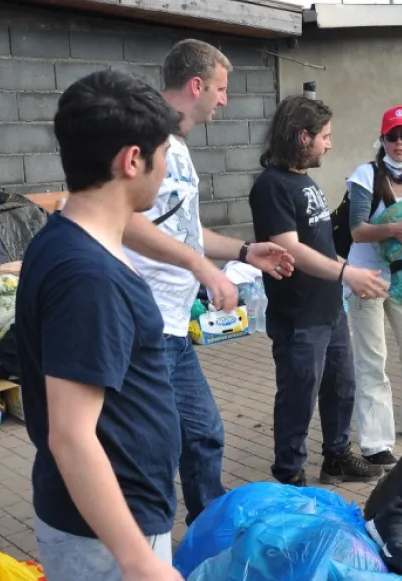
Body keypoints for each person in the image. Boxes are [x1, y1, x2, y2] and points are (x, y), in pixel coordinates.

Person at [18, 68, 192, 581]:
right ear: (133, 160)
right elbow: (70, 435)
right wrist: (138, 561)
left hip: (108, 521)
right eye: (164, 153)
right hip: (107, 535)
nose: (167, 168)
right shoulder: (89, 277)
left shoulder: (70, 234)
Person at [119, 40, 293, 525]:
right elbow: (120, 220)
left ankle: (207, 534)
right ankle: (153, 541)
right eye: (220, 89)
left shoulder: (179, 151)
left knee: (202, 434)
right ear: (196, 85)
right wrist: (201, 269)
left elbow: (186, 233)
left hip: (173, 325)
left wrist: (242, 252)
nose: (224, 100)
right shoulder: (145, 140)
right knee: (162, 442)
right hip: (143, 322)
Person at [251, 95, 389, 485]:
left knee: (341, 386)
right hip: (298, 316)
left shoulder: (303, 180)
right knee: (298, 394)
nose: (329, 144)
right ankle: (289, 472)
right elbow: (290, 247)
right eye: (324, 137)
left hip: (329, 309)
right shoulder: (271, 186)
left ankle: (337, 456)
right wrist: (347, 273)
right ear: (302, 136)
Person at [343, 105, 402, 470]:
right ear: (382, 139)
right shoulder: (365, 175)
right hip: (367, 275)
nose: (398, 142)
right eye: (391, 136)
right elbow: (357, 230)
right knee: (372, 361)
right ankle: (376, 442)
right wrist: (392, 230)